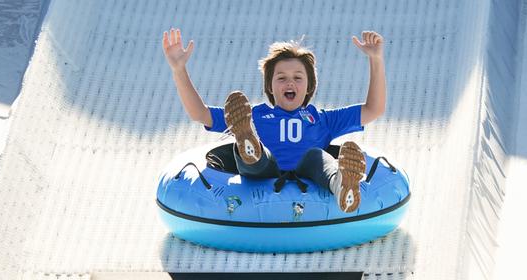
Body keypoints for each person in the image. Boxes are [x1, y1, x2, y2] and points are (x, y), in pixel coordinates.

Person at [162, 28, 386, 213]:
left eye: (298, 78)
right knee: (258, 156)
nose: (290, 83)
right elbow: (200, 113)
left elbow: (373, 109)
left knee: (316, 156)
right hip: (263, 173)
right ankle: (248, 145)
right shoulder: (255, 115)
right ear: (270, 86)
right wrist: (178, 69)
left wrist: (376, 59)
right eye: (282, 78)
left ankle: (341, 184)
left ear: (309, 86)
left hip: (310, 173)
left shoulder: (322, 119)